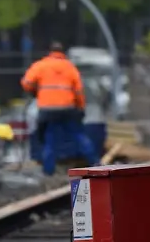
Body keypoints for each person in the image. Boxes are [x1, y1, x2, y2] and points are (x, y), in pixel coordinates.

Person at [21, 41, 100, 176]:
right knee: (78, 134)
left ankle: (48, 171)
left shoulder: (40, 66)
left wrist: (35, 91)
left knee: (48, 138)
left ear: (49, 52)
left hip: (47, 110)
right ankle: (95, 162)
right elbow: (79, 91)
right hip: (67, 108)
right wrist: (80, 108)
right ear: (63, 53)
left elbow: (26, 83)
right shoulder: (70, 67)